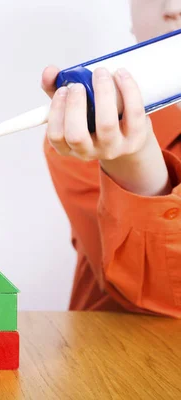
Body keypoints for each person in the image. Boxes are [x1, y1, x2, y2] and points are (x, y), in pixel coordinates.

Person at [42, 0, 181, 318]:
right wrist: (134, 163)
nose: (173, 7)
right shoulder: (82, 134)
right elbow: (161, 297)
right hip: (117, 356)